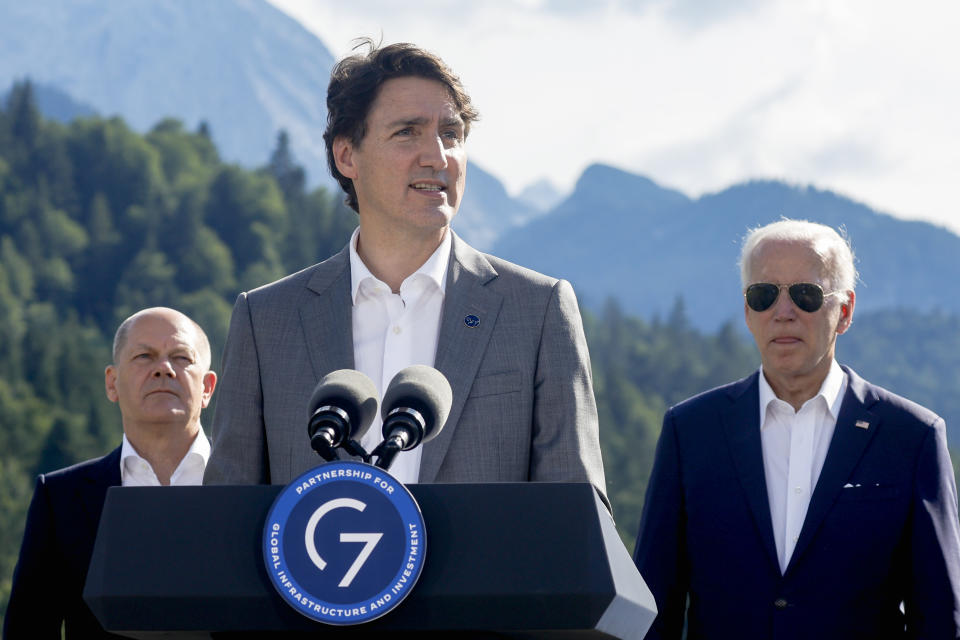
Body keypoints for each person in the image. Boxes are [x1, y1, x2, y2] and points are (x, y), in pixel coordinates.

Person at [203, 41, 607, 505]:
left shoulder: (537, 311)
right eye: (408, 133)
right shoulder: (266, 320)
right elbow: (226, 515)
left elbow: (579, 517)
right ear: (347, 156)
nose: (437, 156)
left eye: (451, 134)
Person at [633, 219, 960, 639]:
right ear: (748, 312)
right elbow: (653, 606)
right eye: (764, 295)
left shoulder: (911, 437)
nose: (783, 312)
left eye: (806, 295)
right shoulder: (690, 431)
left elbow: (938, 616)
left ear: (844, 312)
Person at [3, 307, 217, 639]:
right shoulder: (61, 498)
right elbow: (28, 629)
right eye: (145, 356)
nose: (164, 369)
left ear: (207, 387)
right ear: (112, 383)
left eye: (181, 358)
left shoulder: (257, 485)